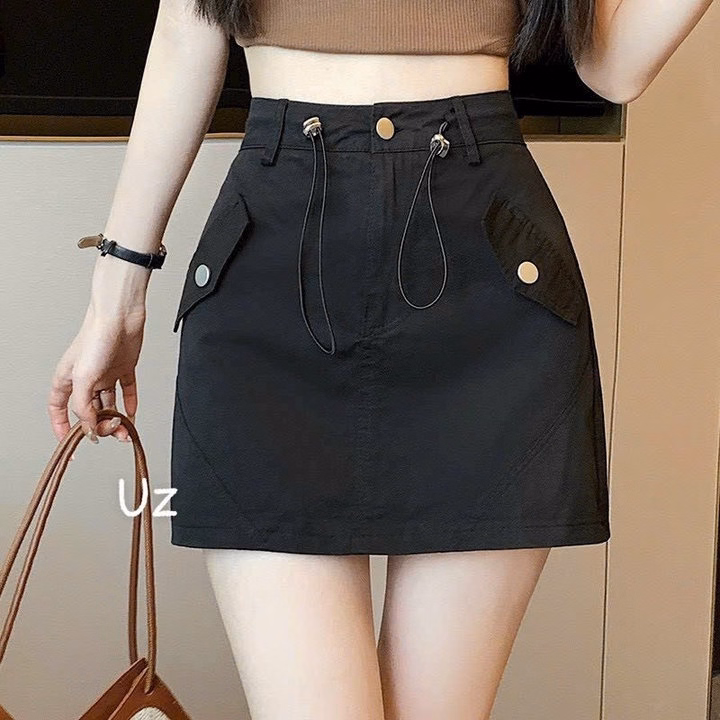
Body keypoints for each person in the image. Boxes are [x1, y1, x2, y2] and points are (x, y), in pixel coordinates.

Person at [46, 0, 714, 717]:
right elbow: (186, 29)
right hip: (272, 275)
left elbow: (611, 65)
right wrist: (116, 299)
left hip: (487, 288)